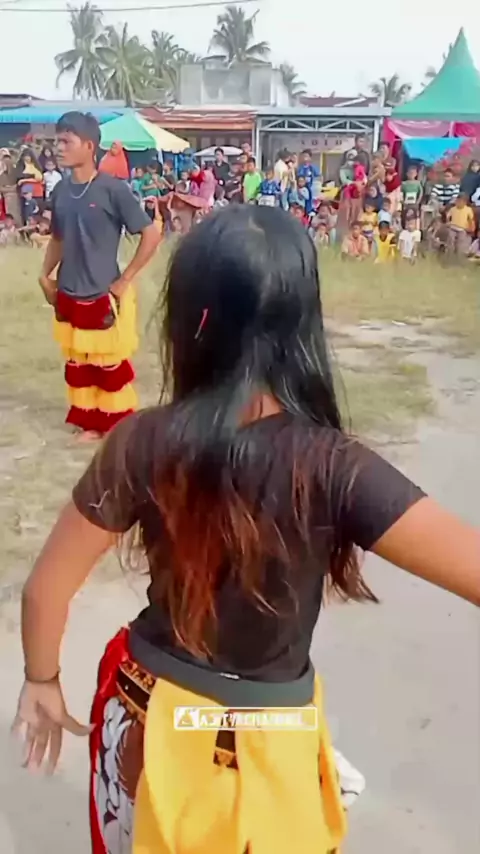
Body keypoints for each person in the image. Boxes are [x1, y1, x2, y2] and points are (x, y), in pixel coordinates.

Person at [14, 204, 480, 854]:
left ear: (190, 318)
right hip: (269, 736)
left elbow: (44, 591)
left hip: (147, 717)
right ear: (303, 320)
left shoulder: (140, 441)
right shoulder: (334, 465)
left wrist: (41, 681)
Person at [38, 111, 160, 439]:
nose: (58, 148)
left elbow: (151, 235)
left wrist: (125, 280)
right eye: (57, 141)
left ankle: (115, 426)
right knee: (78, 364)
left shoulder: (112, 190)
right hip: (68, 290)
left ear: (89, 146)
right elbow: (58, 238)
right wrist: (45, 276)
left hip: (103, 293)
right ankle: (88, 421)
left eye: (67, 141)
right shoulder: (61, 191)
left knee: (109, 366)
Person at [297, 149, 321, 214]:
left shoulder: (312, 167)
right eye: (303, 156)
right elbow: (299, 177)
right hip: (303, 187)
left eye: (306, 156)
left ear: (310, 157)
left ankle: (311, 210)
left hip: (312, 186)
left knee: (312, 199)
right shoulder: (300, 168)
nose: (305, 158)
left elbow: (318, 175)